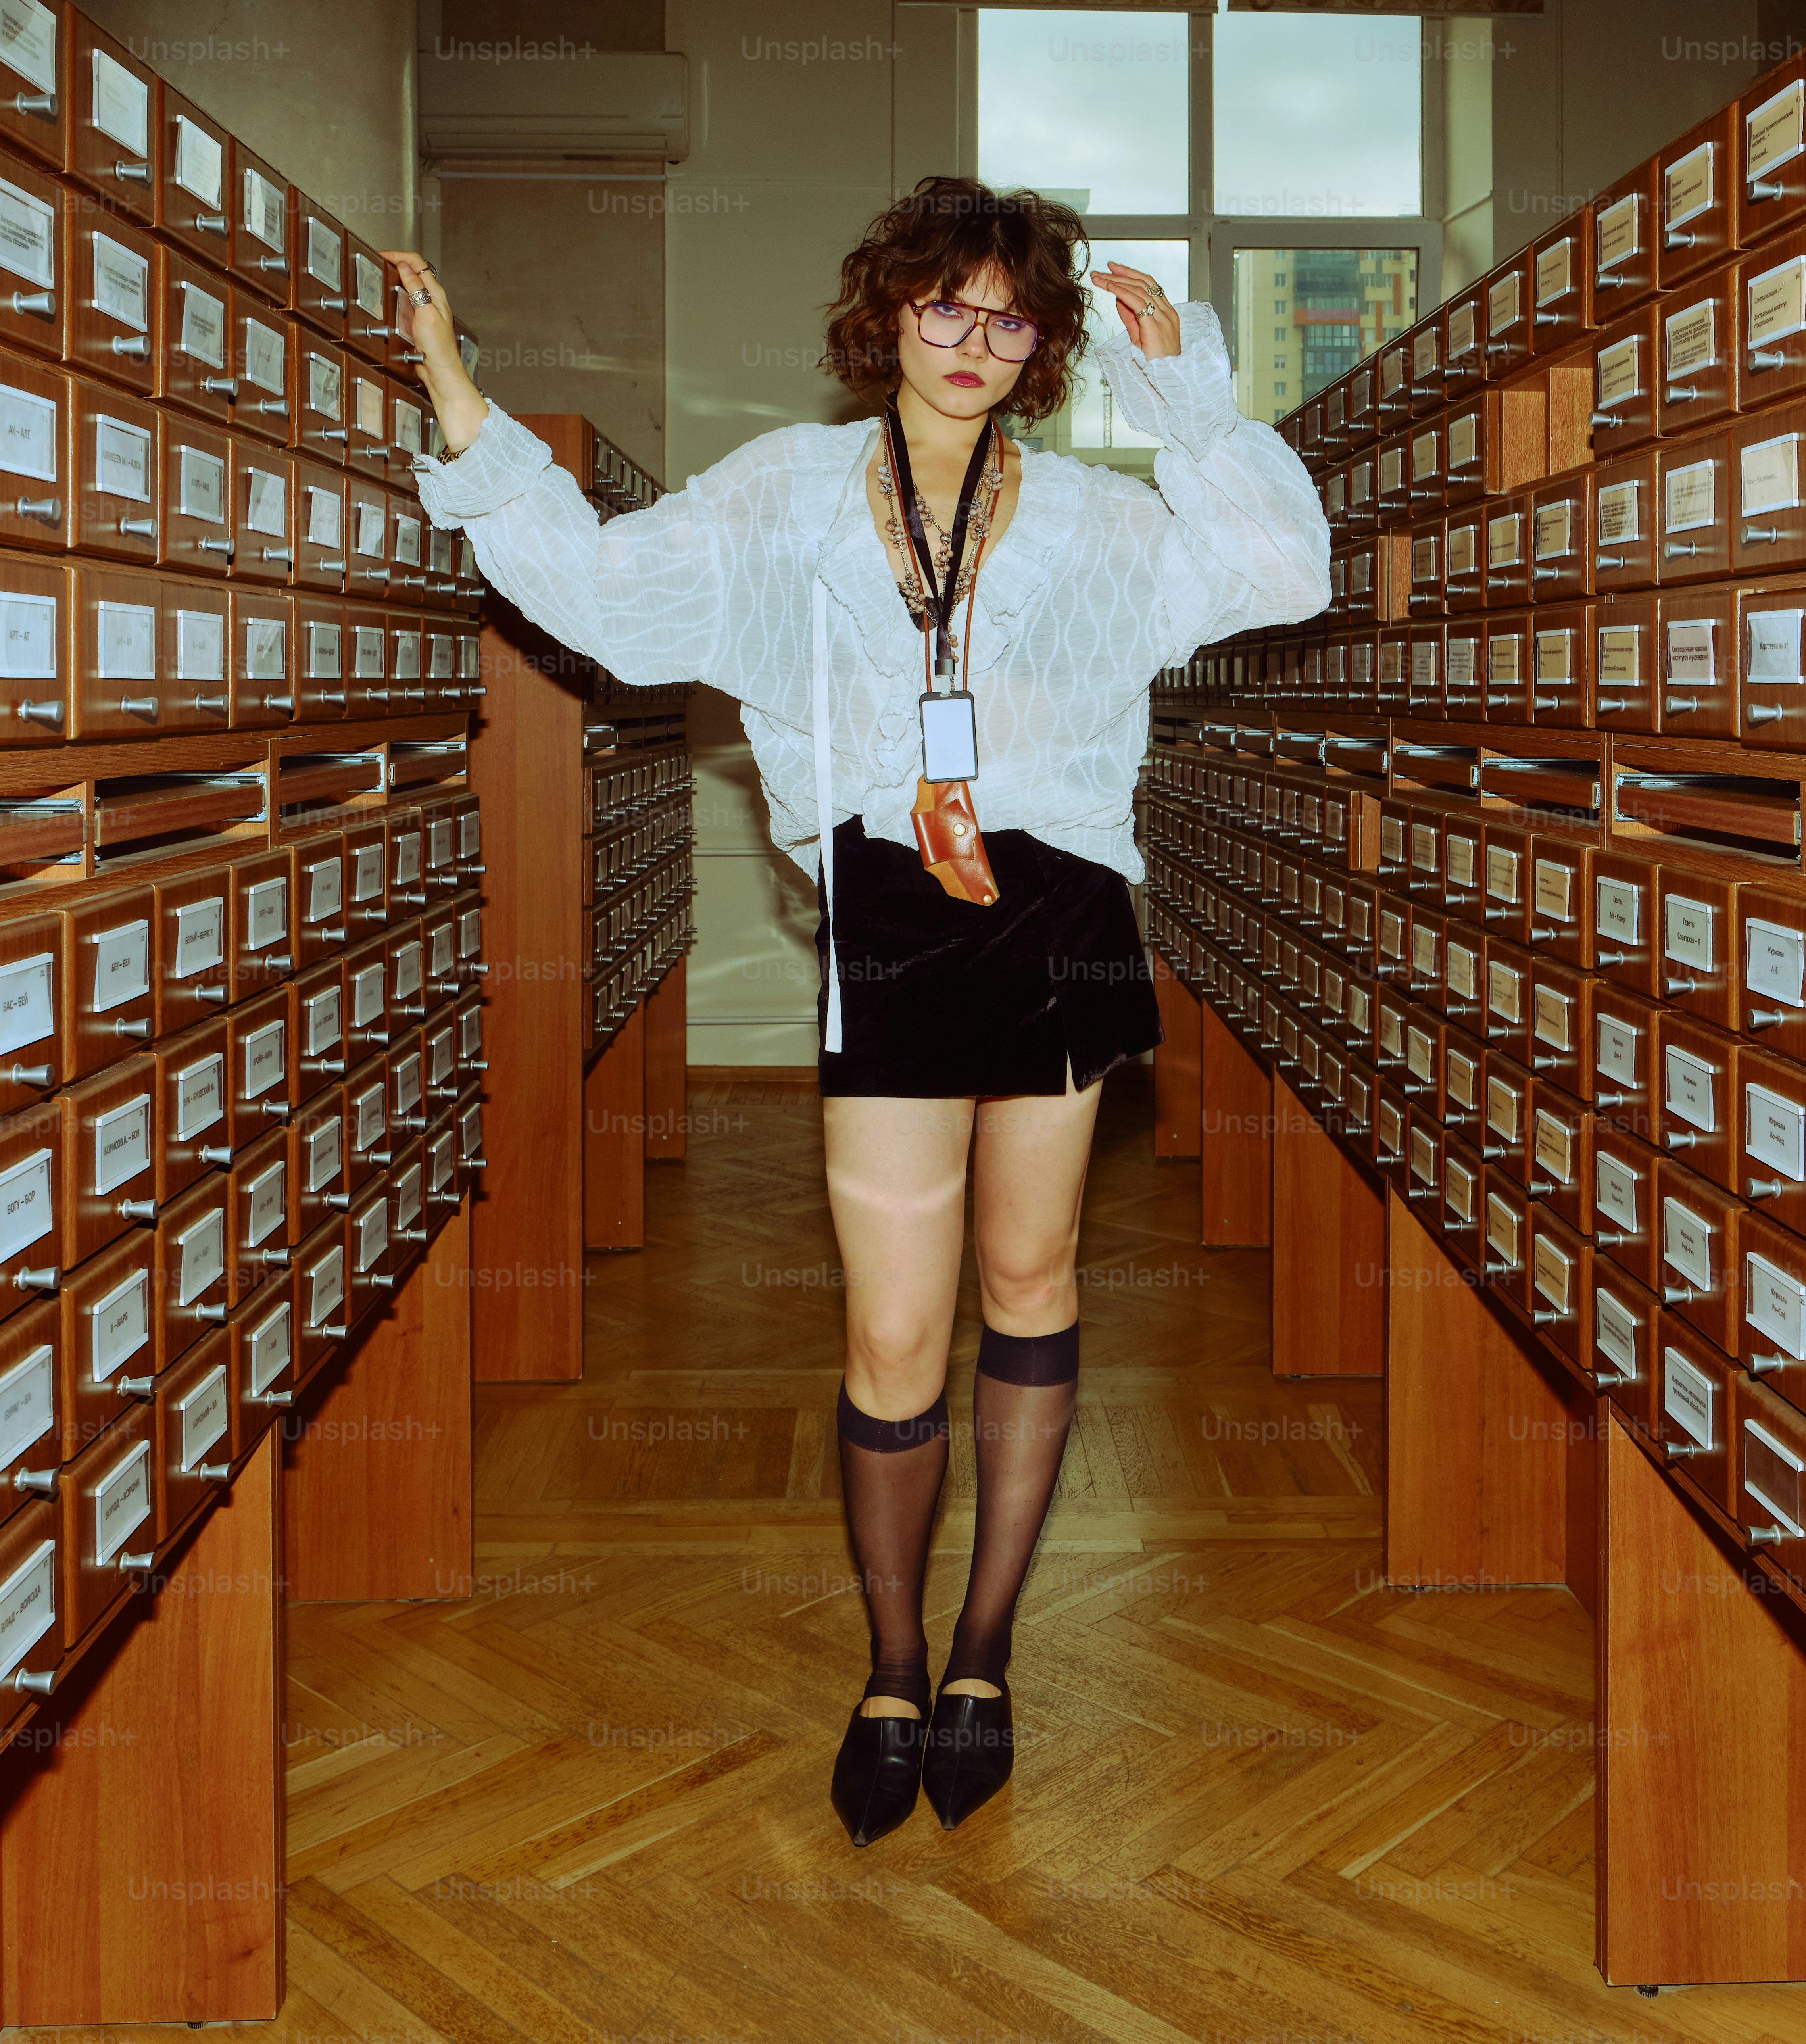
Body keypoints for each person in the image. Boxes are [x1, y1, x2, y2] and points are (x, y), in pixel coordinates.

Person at [383, 174, 1326, 1846]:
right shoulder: (794, 495)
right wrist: (466, 407)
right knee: (896, 1329)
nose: (974, 343)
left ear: (1042, 343)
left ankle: (985, 1653)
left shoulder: (1104, 516)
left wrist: (1184, 397)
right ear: (889, 312)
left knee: (1029, 1283)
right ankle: (891, 1663)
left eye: (1010, 316)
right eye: (945, 307)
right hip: (895, 913)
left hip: (1068, 908)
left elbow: (1278, 567)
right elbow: (605, 594)